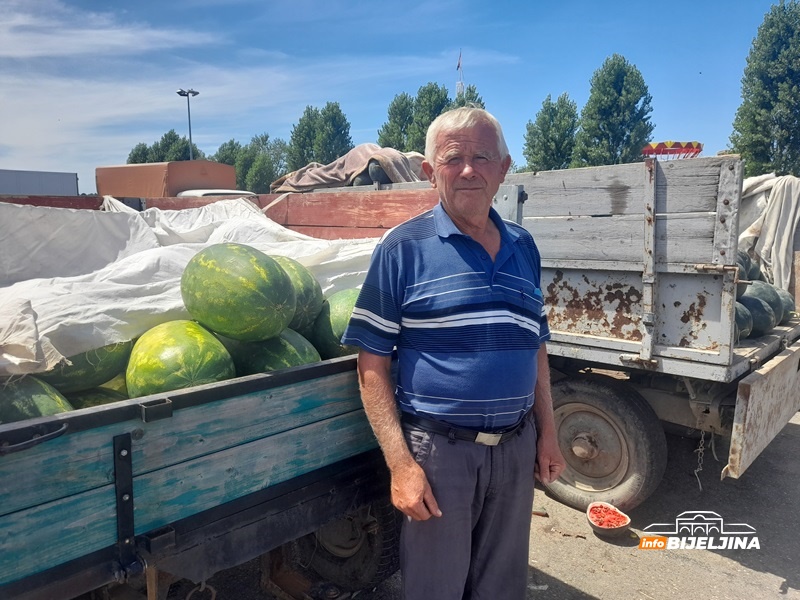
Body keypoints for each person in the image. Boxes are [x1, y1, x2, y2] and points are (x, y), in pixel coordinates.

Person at [341, 107, 565, 600]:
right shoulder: (402, 249)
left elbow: (536, 345)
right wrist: (402, 466)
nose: (468, 170)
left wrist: (547, 432)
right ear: (429, 171)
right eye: (452, 158)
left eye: (482, 157)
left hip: (516, 449)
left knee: (502, 587)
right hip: (440, 455)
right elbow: (371, 366)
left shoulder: (524, 247)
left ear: (503, 169)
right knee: (435, 588)